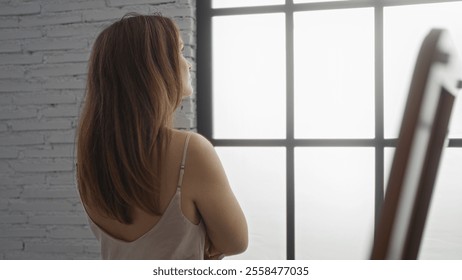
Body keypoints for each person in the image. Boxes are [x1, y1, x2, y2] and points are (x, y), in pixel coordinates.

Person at [76, 13, 248, 260]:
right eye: (178, 52)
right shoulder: (191, 150)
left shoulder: (88, 161)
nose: (187, 64)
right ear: (152, 68)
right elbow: (235, 242)